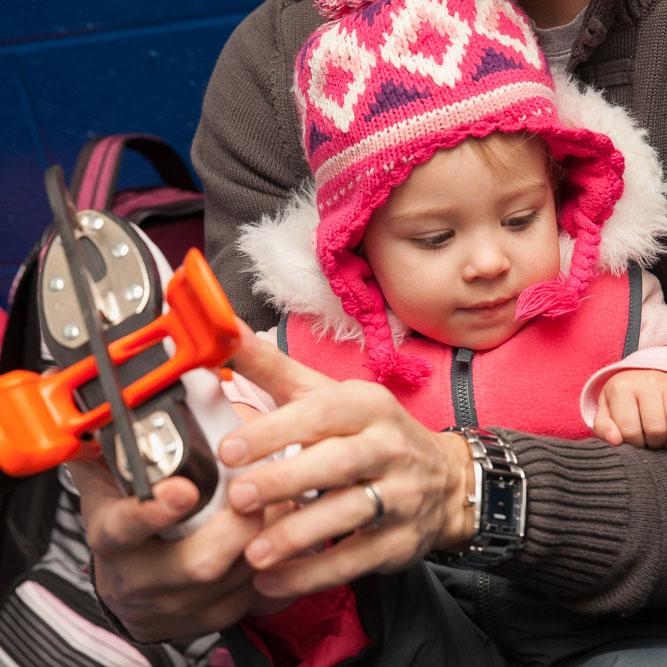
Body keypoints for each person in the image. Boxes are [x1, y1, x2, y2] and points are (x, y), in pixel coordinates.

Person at [3, 1, 667, 666]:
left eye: (521, 220)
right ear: (354, 252)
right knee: (343, 594)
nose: (488, 261)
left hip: (601, 612)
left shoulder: (617, 299)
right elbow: (259, 382)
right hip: (414, 592)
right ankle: (169, 436)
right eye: (434, 238)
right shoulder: (319, 327)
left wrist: (649, 370)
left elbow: (654, 342)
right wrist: (229, 431)